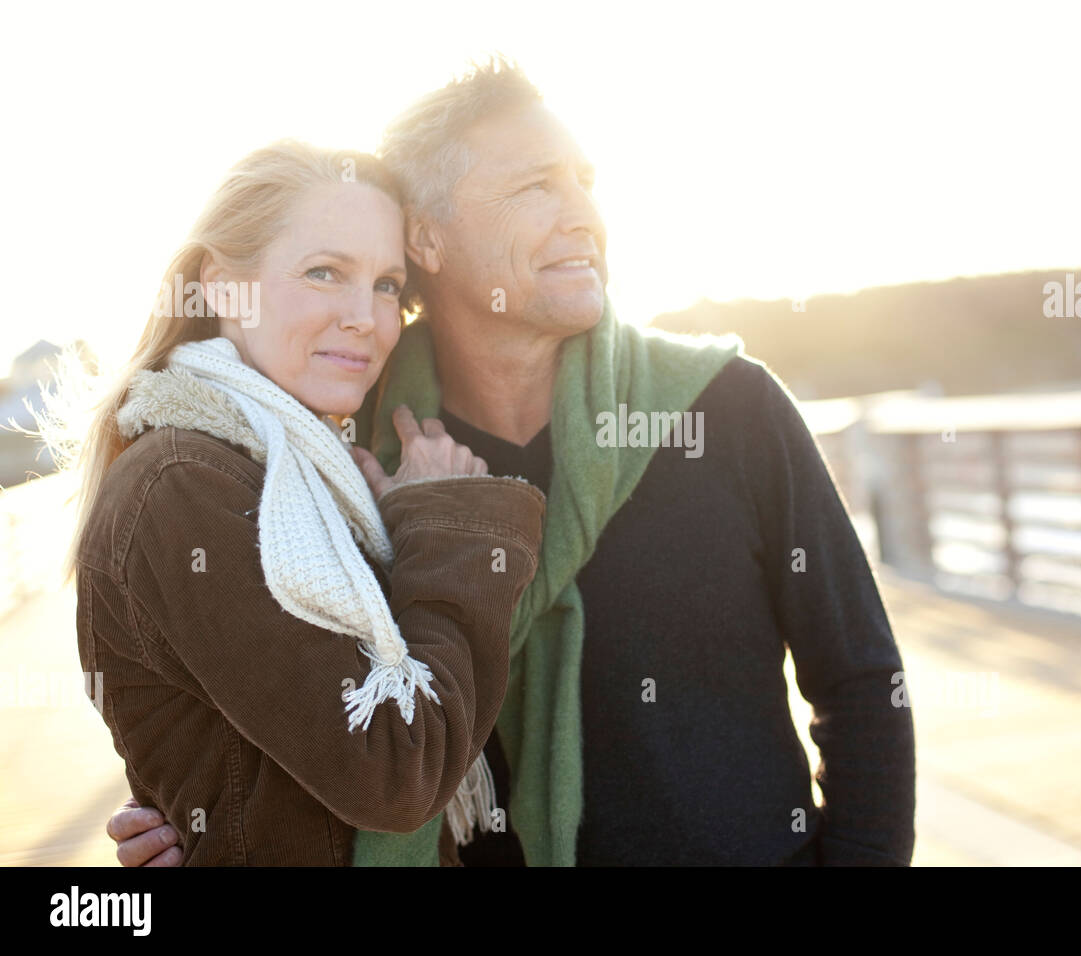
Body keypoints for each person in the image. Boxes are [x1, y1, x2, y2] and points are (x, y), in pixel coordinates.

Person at [111, 59, 916, 867]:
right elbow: (298, 724)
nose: (584, 214)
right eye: (536, 187)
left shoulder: (725, 407)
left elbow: (862, 683)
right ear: (427, 236)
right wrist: (197, 827)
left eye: (585, 180)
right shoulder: (347, 461)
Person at [61, 140, 545, 865]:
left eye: (388, 285)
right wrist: (447, 518)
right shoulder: (183, 485)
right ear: (224, 287)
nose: (365, 317)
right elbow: (395, 770)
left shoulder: (307, 477)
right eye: (325, 272)